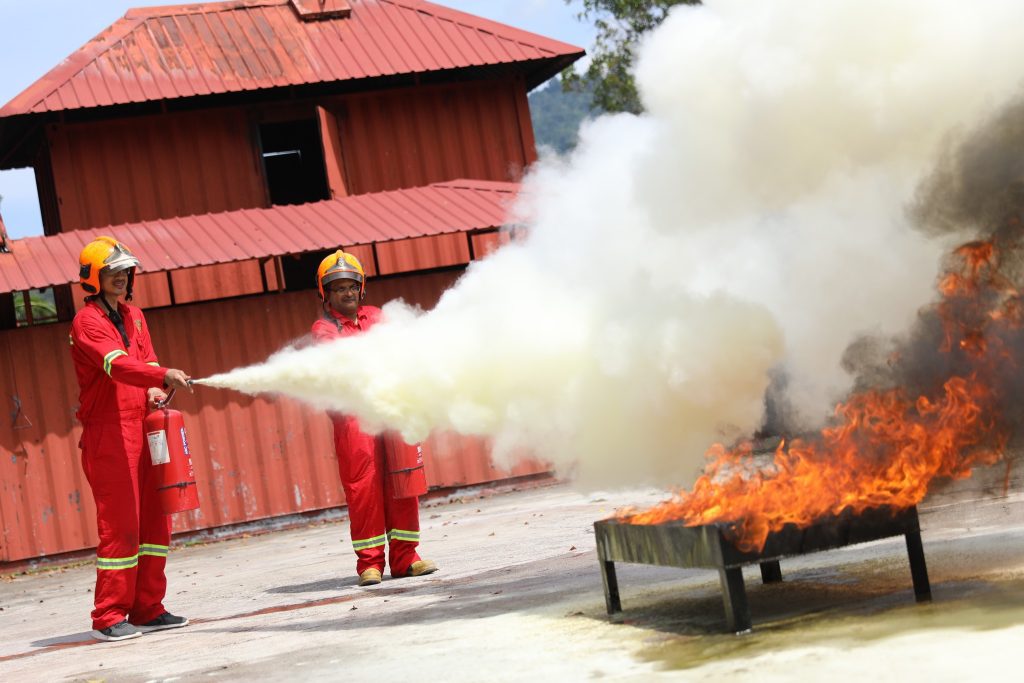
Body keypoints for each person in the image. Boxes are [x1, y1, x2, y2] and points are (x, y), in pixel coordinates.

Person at [69, 236, 193, 642]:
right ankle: (108, 615)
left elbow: (147, 360)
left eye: (125, 271)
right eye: (112, 272)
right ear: (94, 278)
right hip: (109, 434)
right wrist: (159, 376)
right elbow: (119, 366)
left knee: (155, 522)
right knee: (120, 525)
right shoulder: (86, 322)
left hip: (143, 424)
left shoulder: (135, 316)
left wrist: (156, 387)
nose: (120, 278)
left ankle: (147, 607)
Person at [311, 250, 438, 586]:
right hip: (354, 419)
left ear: (362, 287)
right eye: (337, 288)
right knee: (363, 489)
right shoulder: (325, 328)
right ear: (326, 294)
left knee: (403, 480)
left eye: (351, 286)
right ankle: (370, 564)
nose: (347, 293)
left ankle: (406, 558)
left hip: (390, 409)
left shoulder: (378, 317)